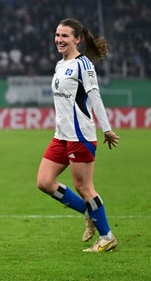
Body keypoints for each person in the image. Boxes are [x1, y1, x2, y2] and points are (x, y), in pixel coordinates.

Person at [36, 18, 120, 252]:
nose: (59, 40)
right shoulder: (60, 65)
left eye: (64, 36)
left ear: (77, 39)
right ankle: (88, 212)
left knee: (84, 188)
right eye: (57, 35)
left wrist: (107, 128)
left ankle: (107, 237)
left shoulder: (84, 65)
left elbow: (95, 97)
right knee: (44, 182)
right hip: (61, 136)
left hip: (80, 136)